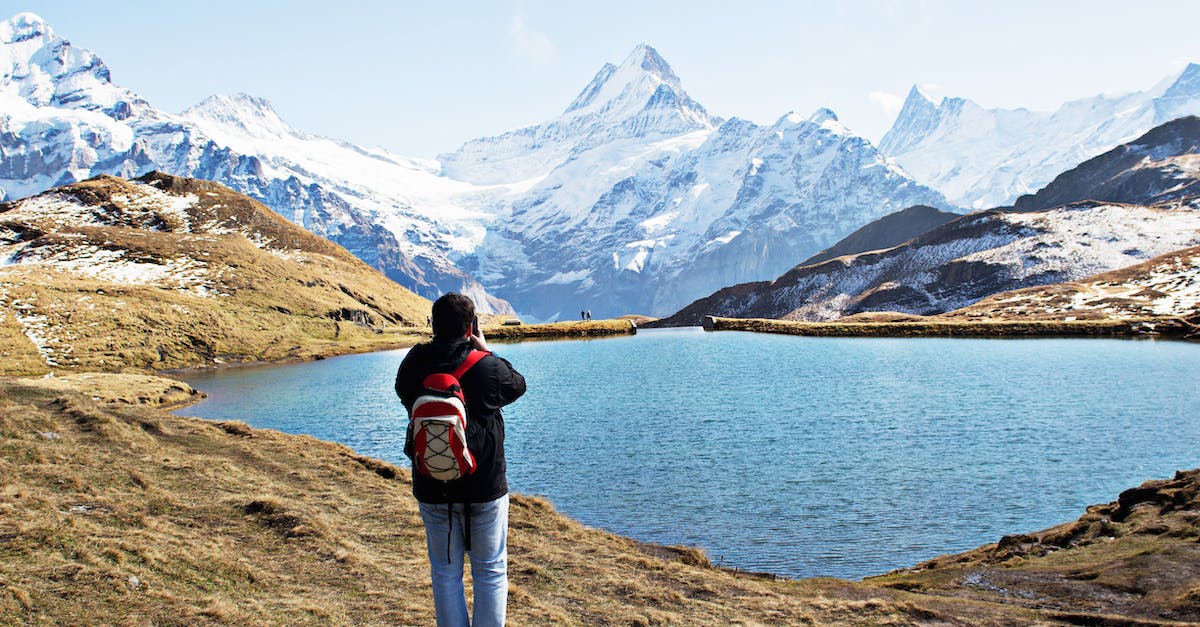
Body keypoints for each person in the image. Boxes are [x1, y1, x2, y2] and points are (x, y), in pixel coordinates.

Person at [395, 293, 526, 627]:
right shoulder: (487, 365)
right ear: (472, 326)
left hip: (433, 481)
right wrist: (484, 350)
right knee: (490, 570)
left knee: (445, 572)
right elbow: (517, 386)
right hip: (485, 485)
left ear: (433, 325)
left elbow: (403, 395)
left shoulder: (414, 362)